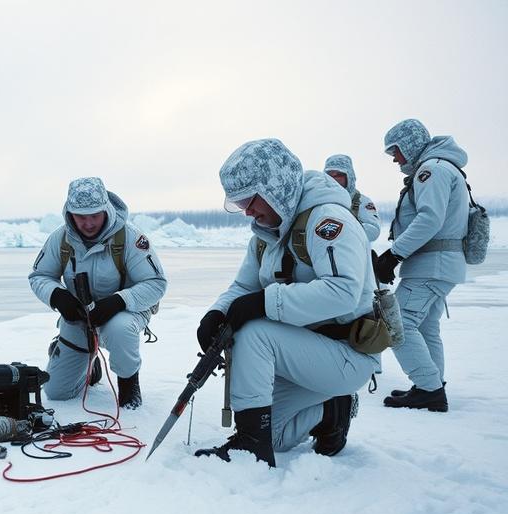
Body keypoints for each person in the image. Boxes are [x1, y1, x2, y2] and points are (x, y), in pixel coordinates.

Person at [194, 139, 380, 467]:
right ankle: (332, 410)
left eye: (250, 200)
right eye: (239, 203)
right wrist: (217, 313)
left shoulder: (327, 221)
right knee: (275, 435)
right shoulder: (267, 235)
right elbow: (244, 286)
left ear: (276, 186)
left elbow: (343, 291)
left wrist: (263, 303)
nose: (247, 212)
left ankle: (250, 447)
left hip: (346, 352)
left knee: (253, 334)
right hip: (304, 351)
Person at [28, 176, 166, 409]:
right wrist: (57, 296)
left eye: (94, 215)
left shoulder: (131, 238)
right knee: (57, 393)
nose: (89, 223)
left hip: (126, 312)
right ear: (70, 213)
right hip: (79, 317)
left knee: (119, 328)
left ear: (105, 209)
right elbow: (39, 276)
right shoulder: (59, 239)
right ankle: (90, 367)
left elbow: (156, 284)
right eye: (81, 217)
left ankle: (129, 386)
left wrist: (120, 301)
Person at [375, 119, 469, 412]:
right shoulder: (442, 167)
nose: (394, 158)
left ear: (411, 144)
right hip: (439, 264)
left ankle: (429, 389)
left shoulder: (432, 170)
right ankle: (431, 384)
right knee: (426, 327)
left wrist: (393, 255)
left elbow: (430, 219)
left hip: (432, 264)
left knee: (398, 324)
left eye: (396, 150)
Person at [324, 154, 381, 242]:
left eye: (339, 175)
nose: (334, 179)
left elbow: (373, 231)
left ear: (349, 176)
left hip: (351, 249)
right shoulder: (320, 200)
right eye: (330, 175)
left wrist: (342, 231)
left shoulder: (361, 201)